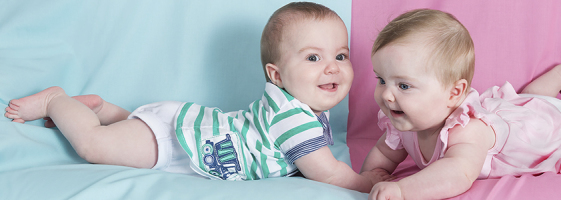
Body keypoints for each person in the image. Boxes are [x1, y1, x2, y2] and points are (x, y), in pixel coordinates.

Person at [4, 2, 392, 193]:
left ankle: (103, 109)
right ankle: (58, 100)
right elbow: (326, 172)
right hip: (177, 143)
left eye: (341, 55)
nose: (333, 67)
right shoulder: (293, 119)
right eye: (313, 57)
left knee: (129, 133)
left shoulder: (297, 106)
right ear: (276, 75)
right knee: (94, 146)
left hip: (190, 131)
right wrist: (364, 182)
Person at [360, 9, 561, 199]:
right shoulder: (404, 120)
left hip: (547, 130)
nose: (387, 95)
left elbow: (457, 173)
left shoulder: (467, 133)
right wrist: (369, 177)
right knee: (528, 100)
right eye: (381, 80)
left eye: (403, 85)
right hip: (515, 114)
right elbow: (383, 155)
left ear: (454, 94)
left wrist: (402, 190)